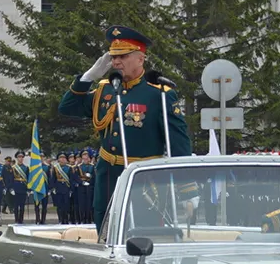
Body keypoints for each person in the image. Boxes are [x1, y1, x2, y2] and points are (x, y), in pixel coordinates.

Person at [59, 25, 192, 232]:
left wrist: (186, 190)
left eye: (123, 56)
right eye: (113, 57)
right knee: (106, 228)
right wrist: (88, 78)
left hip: (145, 179)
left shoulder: (159, 94)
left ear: (140, 58)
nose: (116, 62)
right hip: (108, 174)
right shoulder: (106, 89)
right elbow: (67, 107)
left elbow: (178, 142)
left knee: (142, 232)